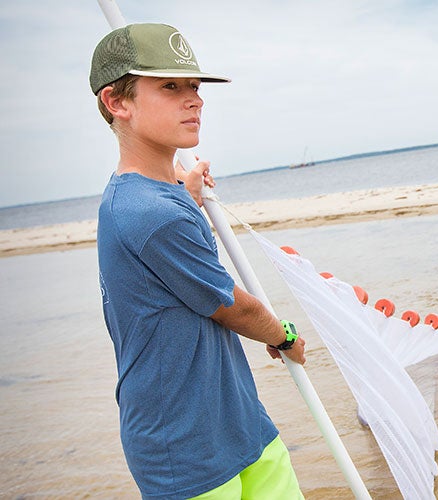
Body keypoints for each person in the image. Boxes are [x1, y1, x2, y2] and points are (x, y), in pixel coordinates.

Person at [91, 23, 307, 498]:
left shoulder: (154, 200)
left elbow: (175, 251)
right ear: (117, 102)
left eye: (194, 86)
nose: (195, 99)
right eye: (170, 86)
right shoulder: (148, 212)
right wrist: (284, 335)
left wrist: (186, 195)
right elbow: (237, 309)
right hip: (184, 448)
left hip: (239, 418)